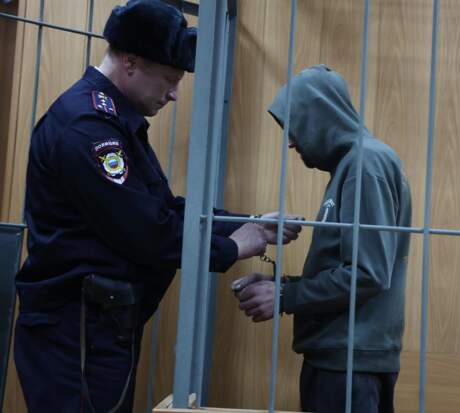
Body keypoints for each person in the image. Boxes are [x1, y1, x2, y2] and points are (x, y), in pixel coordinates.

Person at [13, 1, 301, 412]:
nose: (175, 93)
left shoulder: (111, 120)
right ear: (130, 62)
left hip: (95, 327)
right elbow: (147, 231)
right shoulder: (89, 128)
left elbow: (164, 208)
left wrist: (249, 224)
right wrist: (234, 245)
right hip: (77, 333)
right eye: (170, 78)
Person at [232, 65, 412, 413]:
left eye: (294, 126)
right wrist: (280, 285)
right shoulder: (358, 163)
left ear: (320, 117)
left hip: (347, 363)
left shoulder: (365, 165)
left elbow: (368, 274)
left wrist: (284, 296)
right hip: (349, 356)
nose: (290, 141)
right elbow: (355, 269)